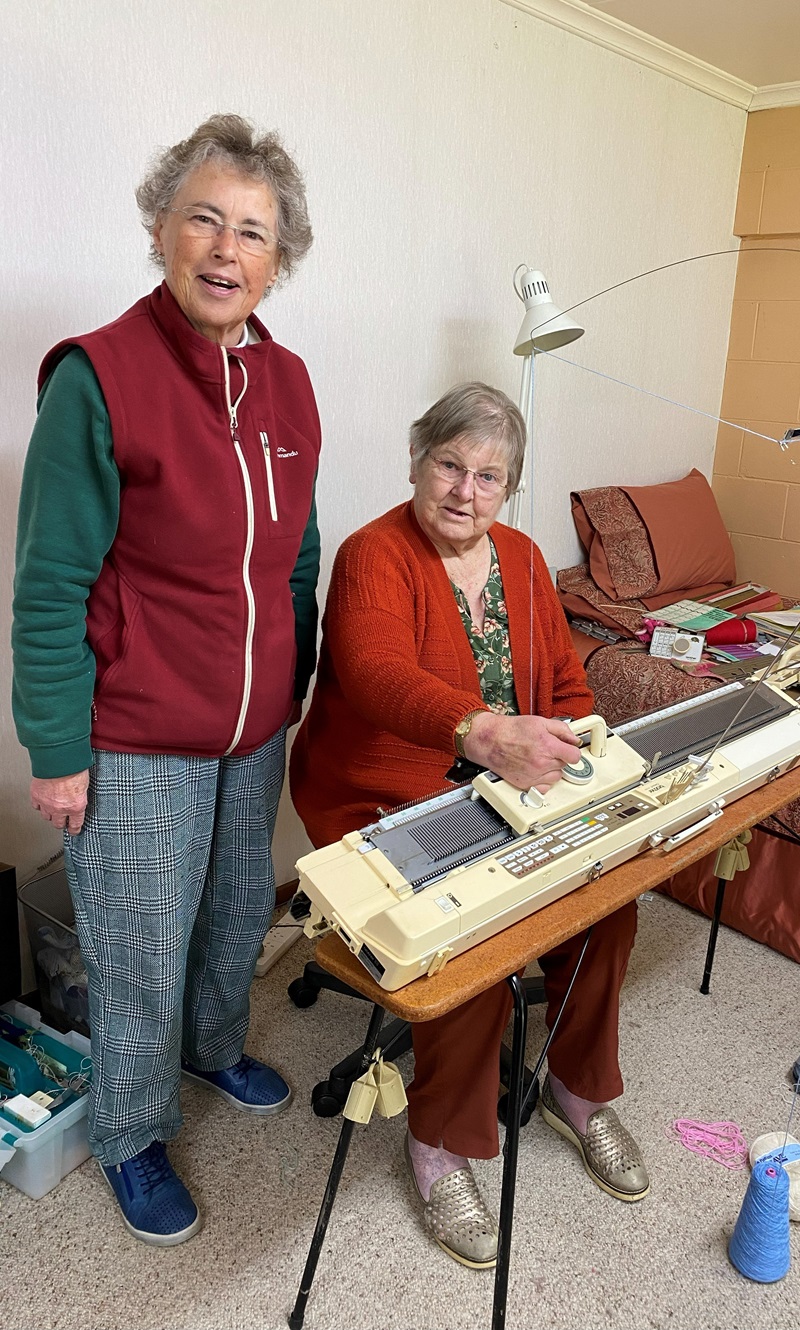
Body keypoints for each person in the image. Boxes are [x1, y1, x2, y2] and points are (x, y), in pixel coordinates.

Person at [11, 115, 322, 1246]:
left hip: (252, 730)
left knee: (238, 909)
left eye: (254, 230)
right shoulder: (100, 377)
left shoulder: (287, 383)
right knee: (137, 943)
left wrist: (290, 685)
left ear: (278, 258)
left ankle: (212, 1046)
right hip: (137, 730)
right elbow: (49, 582)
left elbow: (297, 553)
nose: (227, 247)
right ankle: (131, 1131)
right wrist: (55, 749)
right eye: (205, 217)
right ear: (160, 228)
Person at [290, 383, 647, 1271]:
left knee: (608, 901)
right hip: (379, 792)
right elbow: (372, 674)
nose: (464, 490)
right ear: (416, 462)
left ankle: (578, 1087)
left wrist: (575, 753)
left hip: (507, 790)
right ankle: (439, 1145)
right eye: (449, 464)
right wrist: (484, 733)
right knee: (470, 945)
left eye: (489, 477)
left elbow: (563, 684)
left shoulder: (522, 561)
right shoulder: (374, 553)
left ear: (508, 490)